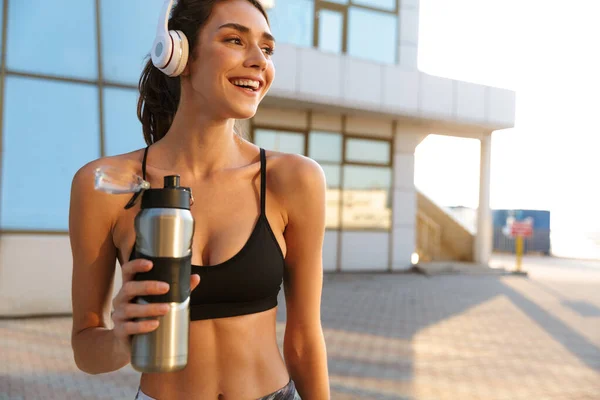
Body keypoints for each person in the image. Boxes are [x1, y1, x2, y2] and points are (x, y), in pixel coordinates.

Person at [68, 0, 330, 398]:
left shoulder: (293, 179)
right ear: (179, 55)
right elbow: (86, 349)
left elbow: (304, 339)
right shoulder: (104, 185)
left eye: (267, 48)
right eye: (235, 40)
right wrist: (121, 340)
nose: (259, 60)